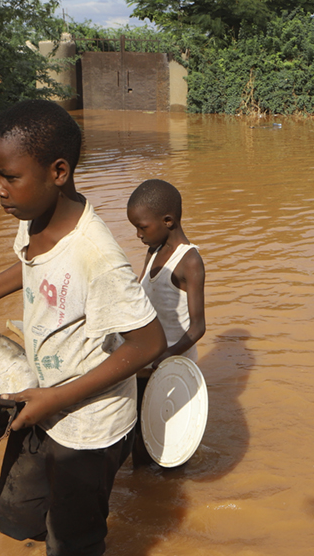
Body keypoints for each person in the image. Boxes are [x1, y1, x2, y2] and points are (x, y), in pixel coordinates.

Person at [0, 99, 167, 556]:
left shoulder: (96, 256)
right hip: (41, 397)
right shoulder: (34, 217)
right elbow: (30, 264)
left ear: (58, 172)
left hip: (88, 424)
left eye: (9, 177)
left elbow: (150, 342)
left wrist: (56, 399)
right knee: (19, 513)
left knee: (74, 542)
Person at [125, 179, 206, 466]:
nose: (137, 234)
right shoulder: (153, 251)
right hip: (146, 363)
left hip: (172, 367)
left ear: (168, 220)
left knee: (171, 446)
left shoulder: (190, 261)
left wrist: (167, 354)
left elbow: (198, 327)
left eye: (142, 227)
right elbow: (139, 298)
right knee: (140, 439)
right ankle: (145, 497)